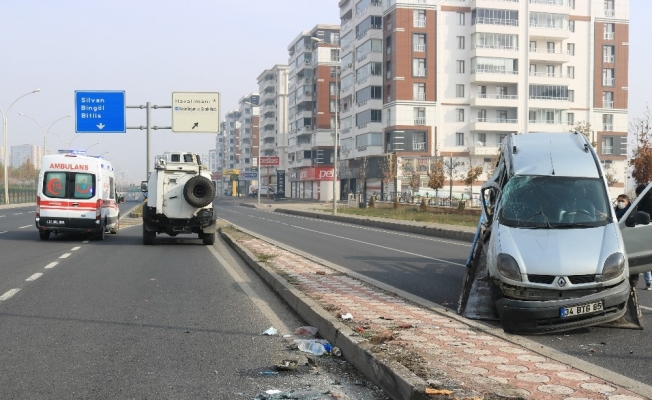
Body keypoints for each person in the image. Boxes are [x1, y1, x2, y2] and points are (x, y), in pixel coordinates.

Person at [633, 184, 652, 290]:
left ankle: (648, 282)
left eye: (638, 194)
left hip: (645, 232)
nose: (638, 196)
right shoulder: (640, 203)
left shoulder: (647, 203)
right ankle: (648, 282)